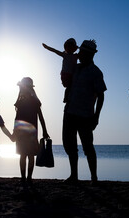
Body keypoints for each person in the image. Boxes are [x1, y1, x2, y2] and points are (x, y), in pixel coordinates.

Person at [62, 40, 107, 185]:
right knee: (70, 145)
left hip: (86, 115)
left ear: (88, 54)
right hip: (70, 112)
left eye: (81, 52)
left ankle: (94, 177)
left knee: (88, 147)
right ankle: (74, 175)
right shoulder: (76, 68)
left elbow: (101, 95)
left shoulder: (95, 72)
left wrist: (96, 116)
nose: (78, 54)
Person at [14, 77, 49, 187]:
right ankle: (25, 178)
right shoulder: (21, 102)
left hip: (29, 133)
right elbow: (17, 118)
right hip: (25, 133)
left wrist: (45, 131)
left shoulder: (33, 102)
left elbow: (40, 117)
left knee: (27, 155)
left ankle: (27, 178)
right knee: (25, 155)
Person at [42, 38, 78, 103]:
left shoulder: (76, 56)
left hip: (72, 75)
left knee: (71, 86)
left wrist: (89, 44)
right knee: (70, 86)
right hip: (66, 74)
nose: (69, 49)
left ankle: (69, 97)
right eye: (68, 47)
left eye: (71, 47)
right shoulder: (65, 55)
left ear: (74, 48)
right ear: (66, 48)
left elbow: (84, 52)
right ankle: (66, 98)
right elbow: (55, 50)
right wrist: (47, 47)